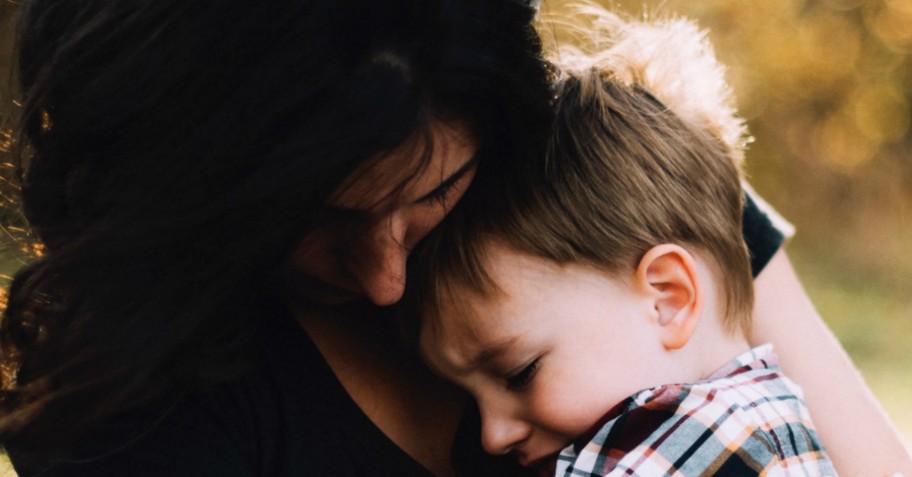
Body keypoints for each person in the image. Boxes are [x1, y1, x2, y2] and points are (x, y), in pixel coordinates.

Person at [0, 0, 907, 476]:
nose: (387, 278)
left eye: (433, 191)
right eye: (311, 221)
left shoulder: (606, 183)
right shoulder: (139, 403)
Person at [404, 14, 837, 476]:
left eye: (520, 372)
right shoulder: (758, 423)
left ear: (668, 298)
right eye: (471, 399)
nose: (492, 435)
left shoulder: (698, 445)